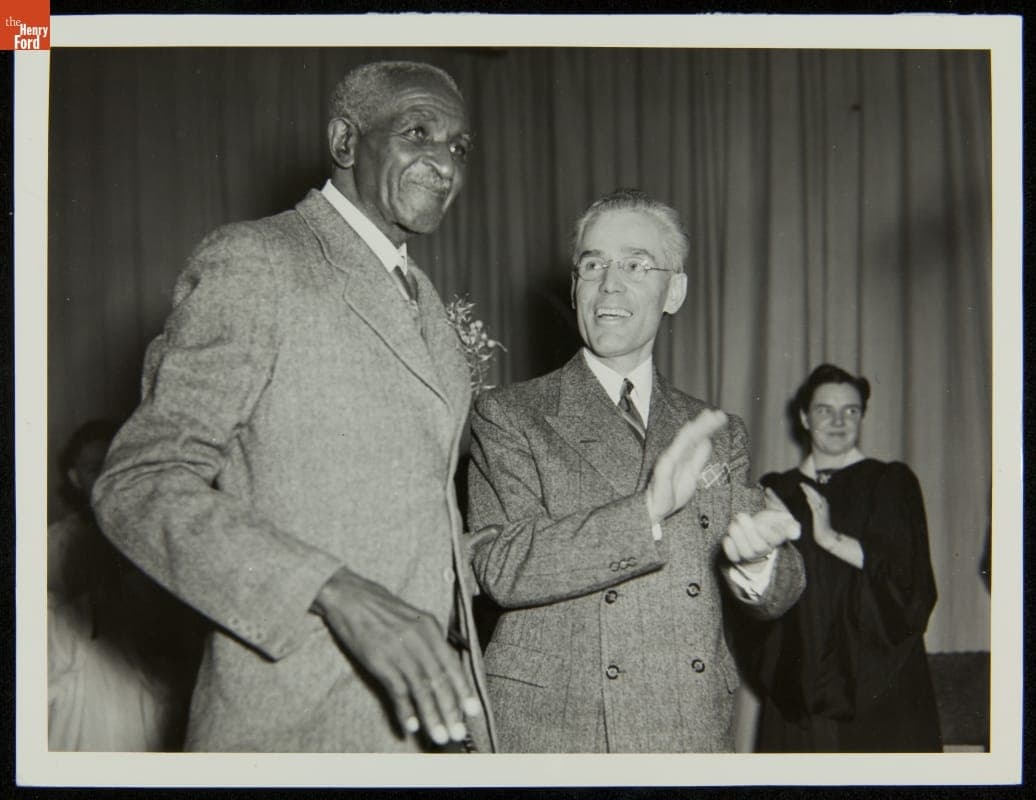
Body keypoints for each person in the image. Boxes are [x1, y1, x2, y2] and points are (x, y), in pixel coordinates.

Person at [93, 61, 494, 753]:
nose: (444, 163)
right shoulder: (260, 261)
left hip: (425, 732)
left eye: (458, 147)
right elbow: (138, 484)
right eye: (418, 132)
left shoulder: (423, 300)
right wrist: (334, 591)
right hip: (293, 729)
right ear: (345, 142)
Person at [465, 188, 806, 753]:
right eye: (592, 264)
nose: (609, 284)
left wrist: (762, 562)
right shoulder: (510, 415)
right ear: (574, 286)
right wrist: (646, 512)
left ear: (674, 291)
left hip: (685, 726)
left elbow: (780, 588)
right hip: (556, 730)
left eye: (635, 264)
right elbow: (501, 566)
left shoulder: (713, 429)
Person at [748, 363, 942, 752]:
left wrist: (830, 539)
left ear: (862, 416)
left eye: (850, 411)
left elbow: (910, 582)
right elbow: (755, 593)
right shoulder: (776, 490)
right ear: (804, 417)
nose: (838, 421)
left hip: (880, 682)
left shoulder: (891, 483)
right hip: (797, 682)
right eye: (824, 410)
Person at [49, 420, 193, 751]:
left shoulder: (155, 536)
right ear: (74, 478)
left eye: (114, 465)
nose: (104, 477)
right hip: (90, 688)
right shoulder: (53, 546)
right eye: (93, 467)